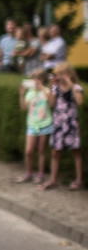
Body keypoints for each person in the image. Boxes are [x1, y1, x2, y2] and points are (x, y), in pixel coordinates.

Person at [41, 63, 83, 191]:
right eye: (57, 74)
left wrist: (70, 85)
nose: (59, 76)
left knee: (76, 152)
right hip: (59, 124)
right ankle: (53, 180)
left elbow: (80, 102)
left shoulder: (76, 88)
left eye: (61, 74)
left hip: (71, 124)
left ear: (69, 74)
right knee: (55, 152)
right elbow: (52, 104)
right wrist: (51, 89)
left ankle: (79, 180)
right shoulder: (56, 88)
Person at [17, 68, 54, 184]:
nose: (35, 82)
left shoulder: (47, 91)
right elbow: (23, 108)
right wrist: (21, 95)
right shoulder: (30, 93)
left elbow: (52, 104)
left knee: (42, 151)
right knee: (29, 151)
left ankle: (40, 174)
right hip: (32, 124)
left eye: (37, 79)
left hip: (45, 124)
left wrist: (43, 88)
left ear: (42, 80)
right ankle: (28, 173)